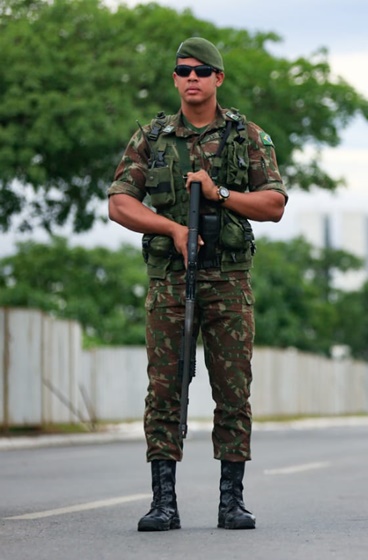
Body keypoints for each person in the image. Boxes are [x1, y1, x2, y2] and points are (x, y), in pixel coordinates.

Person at [108, 37, 287, 531]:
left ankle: (232, 500)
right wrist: (172, 229)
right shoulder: (153, 137)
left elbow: (274, 203)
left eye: (202, 70)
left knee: (233, 391)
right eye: (183, 69)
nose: (192, 77)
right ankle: (163, 501)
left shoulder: (246, 135)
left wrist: (220, 192)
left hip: (228, 280)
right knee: (164, 390)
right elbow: (120, 201)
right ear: (175, 78)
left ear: (218, 79)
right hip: (169, 278)